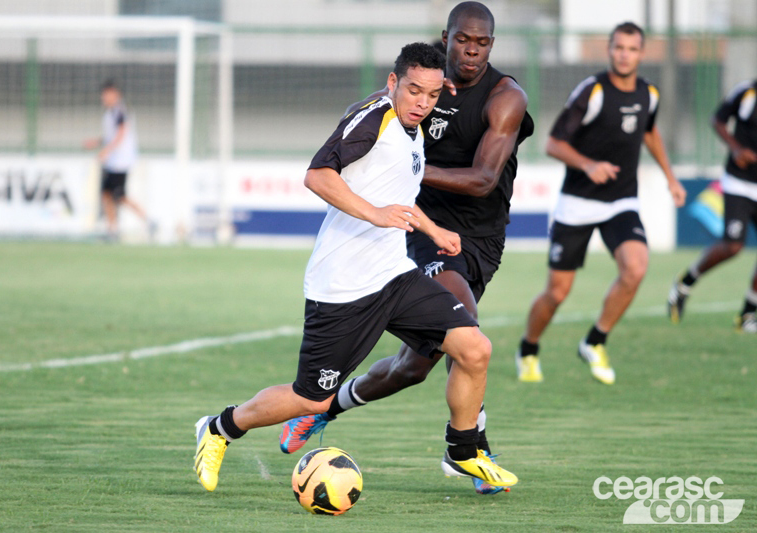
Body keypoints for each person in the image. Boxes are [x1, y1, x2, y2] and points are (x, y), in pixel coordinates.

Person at [194, 42, 518, 494]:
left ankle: (463, 450)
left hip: (394, 275)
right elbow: (318, 175)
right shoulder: (375, 118)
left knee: (474, 349)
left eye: (430, 94)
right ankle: (219, 428)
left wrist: (431, 229)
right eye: (413, 91)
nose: (422, 103)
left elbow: (400, 193)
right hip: (343, 286)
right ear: (392, 83)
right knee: (312, 396)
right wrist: (374, 214)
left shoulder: (414, 127)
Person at [279, 1, 532, 495]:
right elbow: (367, 119)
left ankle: (326, 408)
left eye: (481, 44)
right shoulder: (421, 84)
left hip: (480, 236)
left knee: (414, 367)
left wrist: (410, 165)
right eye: (462, 41)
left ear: (492, 46)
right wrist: (398, 173)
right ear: (446, 38)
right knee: (469, 336)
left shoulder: (505, 97)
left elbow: (483, 180)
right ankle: (469, 452)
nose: (471, 52)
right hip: (420, 228)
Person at [515, 22, 686, 385]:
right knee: (557, 292)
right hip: (576, 203)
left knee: (636, 267)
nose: (624, 54)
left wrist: (671, 177)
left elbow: (650, 132)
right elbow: (553, 144)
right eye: (619, 47)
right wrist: (587, 164)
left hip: (621, 201)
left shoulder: (649, 94)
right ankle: (528, 349)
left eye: (632, 48)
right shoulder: (591, 91)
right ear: (610, 50)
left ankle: (595, 341)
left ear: (642, 53)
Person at [668, 80, 757, 333]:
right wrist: (736, 148)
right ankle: (685, 282)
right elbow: (717, 120)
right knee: (733, 246)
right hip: (739, 183)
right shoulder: (747, 92)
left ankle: (747, 315)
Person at [83, 79, 154, 240]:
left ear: (115, 94)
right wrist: (97, 142)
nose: (104, 98)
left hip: (120, 161)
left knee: (118, 196)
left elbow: (121, 133)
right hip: (113, 161)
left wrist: (106, 151)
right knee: (107, 194)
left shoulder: (119, 111)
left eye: (107, 94)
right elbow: (111, 135)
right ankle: (113, 228)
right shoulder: (110, 113)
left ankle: (146, 221)